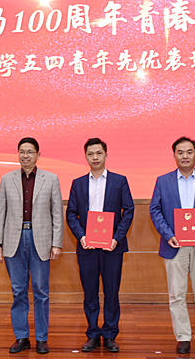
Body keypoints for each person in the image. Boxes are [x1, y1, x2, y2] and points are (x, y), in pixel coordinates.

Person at [149, 137, 195, 355]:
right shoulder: (163, 181)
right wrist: (168, 235)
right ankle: (182, 337)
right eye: (180, 152)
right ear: (174, 155)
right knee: (176, 294)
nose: (185, 156)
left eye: (189, 152)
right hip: (174, 245)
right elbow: (155, 210)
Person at [0, 137, 63, 354]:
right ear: (18, 154)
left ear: (38, 155)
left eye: (30, 152)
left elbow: (57, 213)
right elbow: (0, 212)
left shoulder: (51, 179)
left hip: (40, 239)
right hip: (13, 240)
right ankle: (21, 337)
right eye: (22, 151)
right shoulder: (7, 179)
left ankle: (41, 338)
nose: (25, 156)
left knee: (41, 291)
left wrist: (56, 243)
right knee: (18, 290)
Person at [66, 138, 134, 353]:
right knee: (90, 293)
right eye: (90, 154)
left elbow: (128, 211)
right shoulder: (78, 183)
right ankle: (93, 333)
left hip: (112, 247)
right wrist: (81, 236)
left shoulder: (119, 181)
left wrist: (116, 237)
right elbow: (71, 214)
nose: (95, 157)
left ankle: (110, 334)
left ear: (106, 155)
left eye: (98, 153)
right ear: (85, 157)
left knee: (112, 292)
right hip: (87, 247)